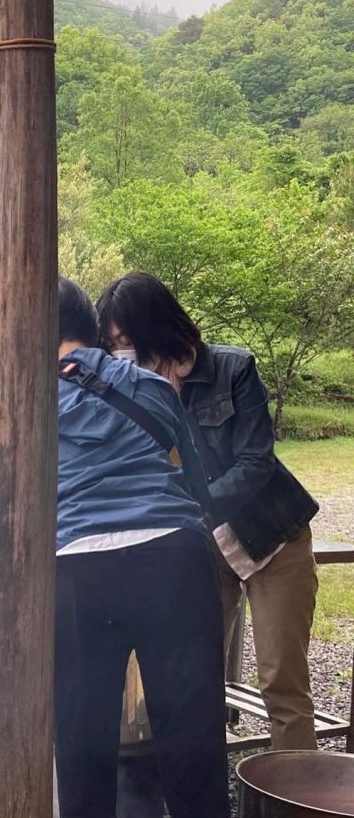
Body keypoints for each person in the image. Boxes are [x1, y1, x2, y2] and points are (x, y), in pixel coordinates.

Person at [54, 277, 232, 818]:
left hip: (79, 568)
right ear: (90, 327)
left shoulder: (21, 392)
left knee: (84, 744)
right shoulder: (145, 383)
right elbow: (182, 466)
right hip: (176, 558)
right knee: (193, 743)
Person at [97, 272, 320, 752]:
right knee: (192, 676)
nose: (123, 353)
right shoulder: (132, 389)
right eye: (113, 343)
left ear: (158, 326)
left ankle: (297, 810)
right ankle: (200, 804)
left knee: (281, 678)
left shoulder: (233, 369)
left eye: (129, 339)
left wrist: (193, 508)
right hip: (204, 547)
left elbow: (256, 462)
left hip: (272, 538)